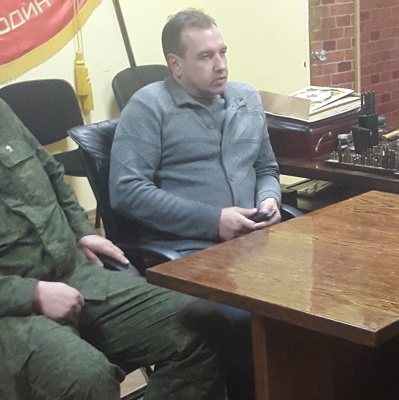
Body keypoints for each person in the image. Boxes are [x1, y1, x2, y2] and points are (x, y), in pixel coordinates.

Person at [0, 97, 234, 399]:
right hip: (11, 308)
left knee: (202, 323)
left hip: (72, 273)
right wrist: (31, 294)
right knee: (85, 378)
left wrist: (81, 230)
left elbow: (51, 172)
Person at [109, 8, 281, 254]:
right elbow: (127, 191)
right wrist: (213, 221)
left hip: (254, 241)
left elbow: (266, 168)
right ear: (175, 64)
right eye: (205, 57)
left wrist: (269, 199)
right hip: (189, 249)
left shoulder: (247, 98)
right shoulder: (148, 107)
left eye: (222, 52)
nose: (220, 65)